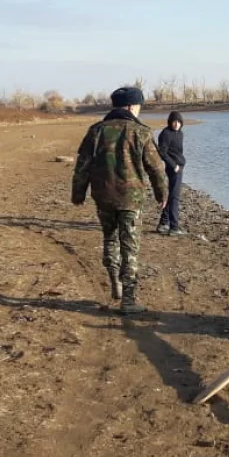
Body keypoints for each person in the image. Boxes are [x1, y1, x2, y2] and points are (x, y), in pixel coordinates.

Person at [72, 87, 168, 313]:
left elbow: (82, 165)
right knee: (130, 247)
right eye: (139, 107)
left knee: (110, 238)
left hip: (103, 195)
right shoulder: (141, 132)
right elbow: (155, 168)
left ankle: (115, 281)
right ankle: (129, 300)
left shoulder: (95, 131)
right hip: (131, 199)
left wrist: (78, 193)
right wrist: (161, 193)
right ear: (131, 107)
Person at [156, 111, 186, 236]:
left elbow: (177, 151)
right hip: (173, 168)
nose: (176, 124)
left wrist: (180, 164)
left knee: (173, 195)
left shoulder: (180, 133)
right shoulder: (166, 134)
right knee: (174, 197)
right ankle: (174, 227)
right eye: (174, 121)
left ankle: (163, 223)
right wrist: (174, 166)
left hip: (179, 167)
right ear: (170, 121)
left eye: (179, 122)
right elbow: (162, 152)